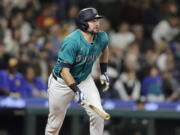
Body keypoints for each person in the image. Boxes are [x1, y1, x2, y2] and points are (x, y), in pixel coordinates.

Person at [45, 7, 109, 135]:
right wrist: (76, 91)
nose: (97, 23)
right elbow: (64, 72)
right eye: (92, 20)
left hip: (84, 80)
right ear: (83, 23)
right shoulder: (71, 41)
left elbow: (105, 50)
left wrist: (103, 72)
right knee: (54, 124)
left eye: (97, 20)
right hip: (61, 83)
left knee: (98, 115)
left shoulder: (102, 36)